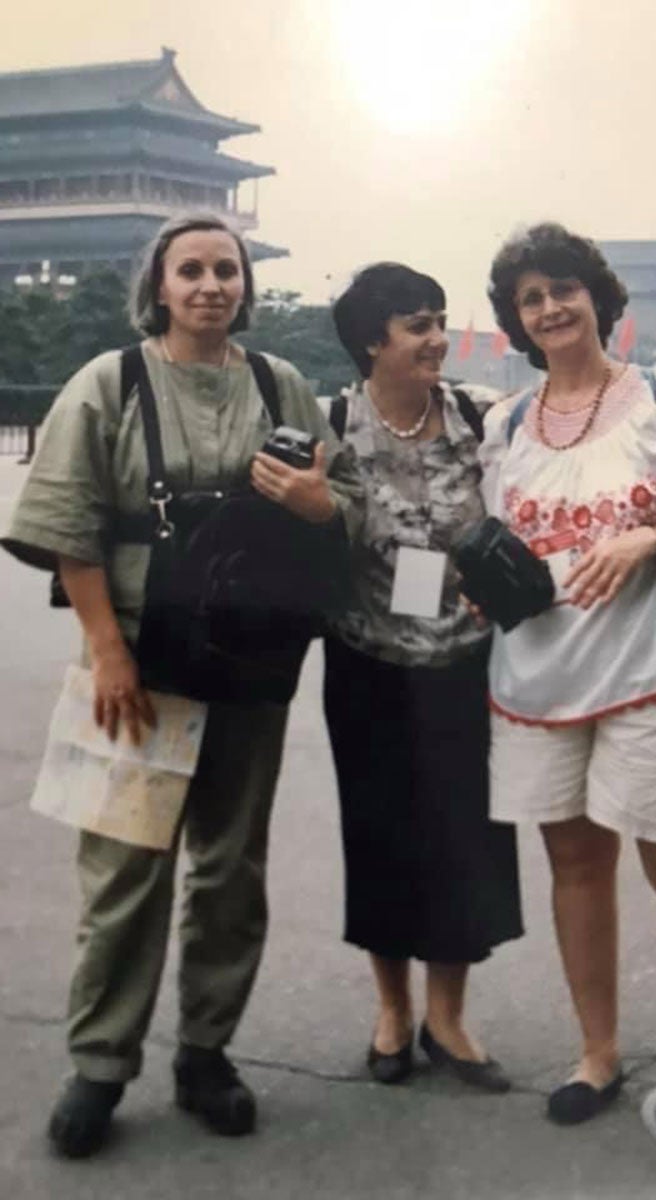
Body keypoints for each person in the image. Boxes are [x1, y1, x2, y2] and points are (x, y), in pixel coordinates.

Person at [1, 212, 363, 1157]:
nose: (210, 285)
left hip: (251, 656)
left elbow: (347, 505)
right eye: (190, 270)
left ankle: (206, 1051)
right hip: (134, 658)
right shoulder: (109, 384)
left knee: (231, 866)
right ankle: (100, 1062)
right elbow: (67, 521)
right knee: (125, 868)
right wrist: (106, 650)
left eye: (226, 269)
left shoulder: (281, 385)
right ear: (159, 287)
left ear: (244, 284)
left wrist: (323, 502)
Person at [477, 223, 656, 1154]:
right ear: (516, 322)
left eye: (564, 288)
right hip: (544, 676)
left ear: (598, 296)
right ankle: (597, 1051)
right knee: (575, 865)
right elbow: (498, 547)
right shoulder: (505, 426)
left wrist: (648, 539)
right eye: (530, 299)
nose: (550, 307)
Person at [320, 263, 523, 1091]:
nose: (437, 338)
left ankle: (448, 1016)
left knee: (463, 838)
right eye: (416, 325)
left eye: (439, 320)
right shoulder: (332, 421)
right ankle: (393, 1011)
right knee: (379, 834)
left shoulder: (478, 416)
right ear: (374, 341)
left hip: (463, 665)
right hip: (366, 662)